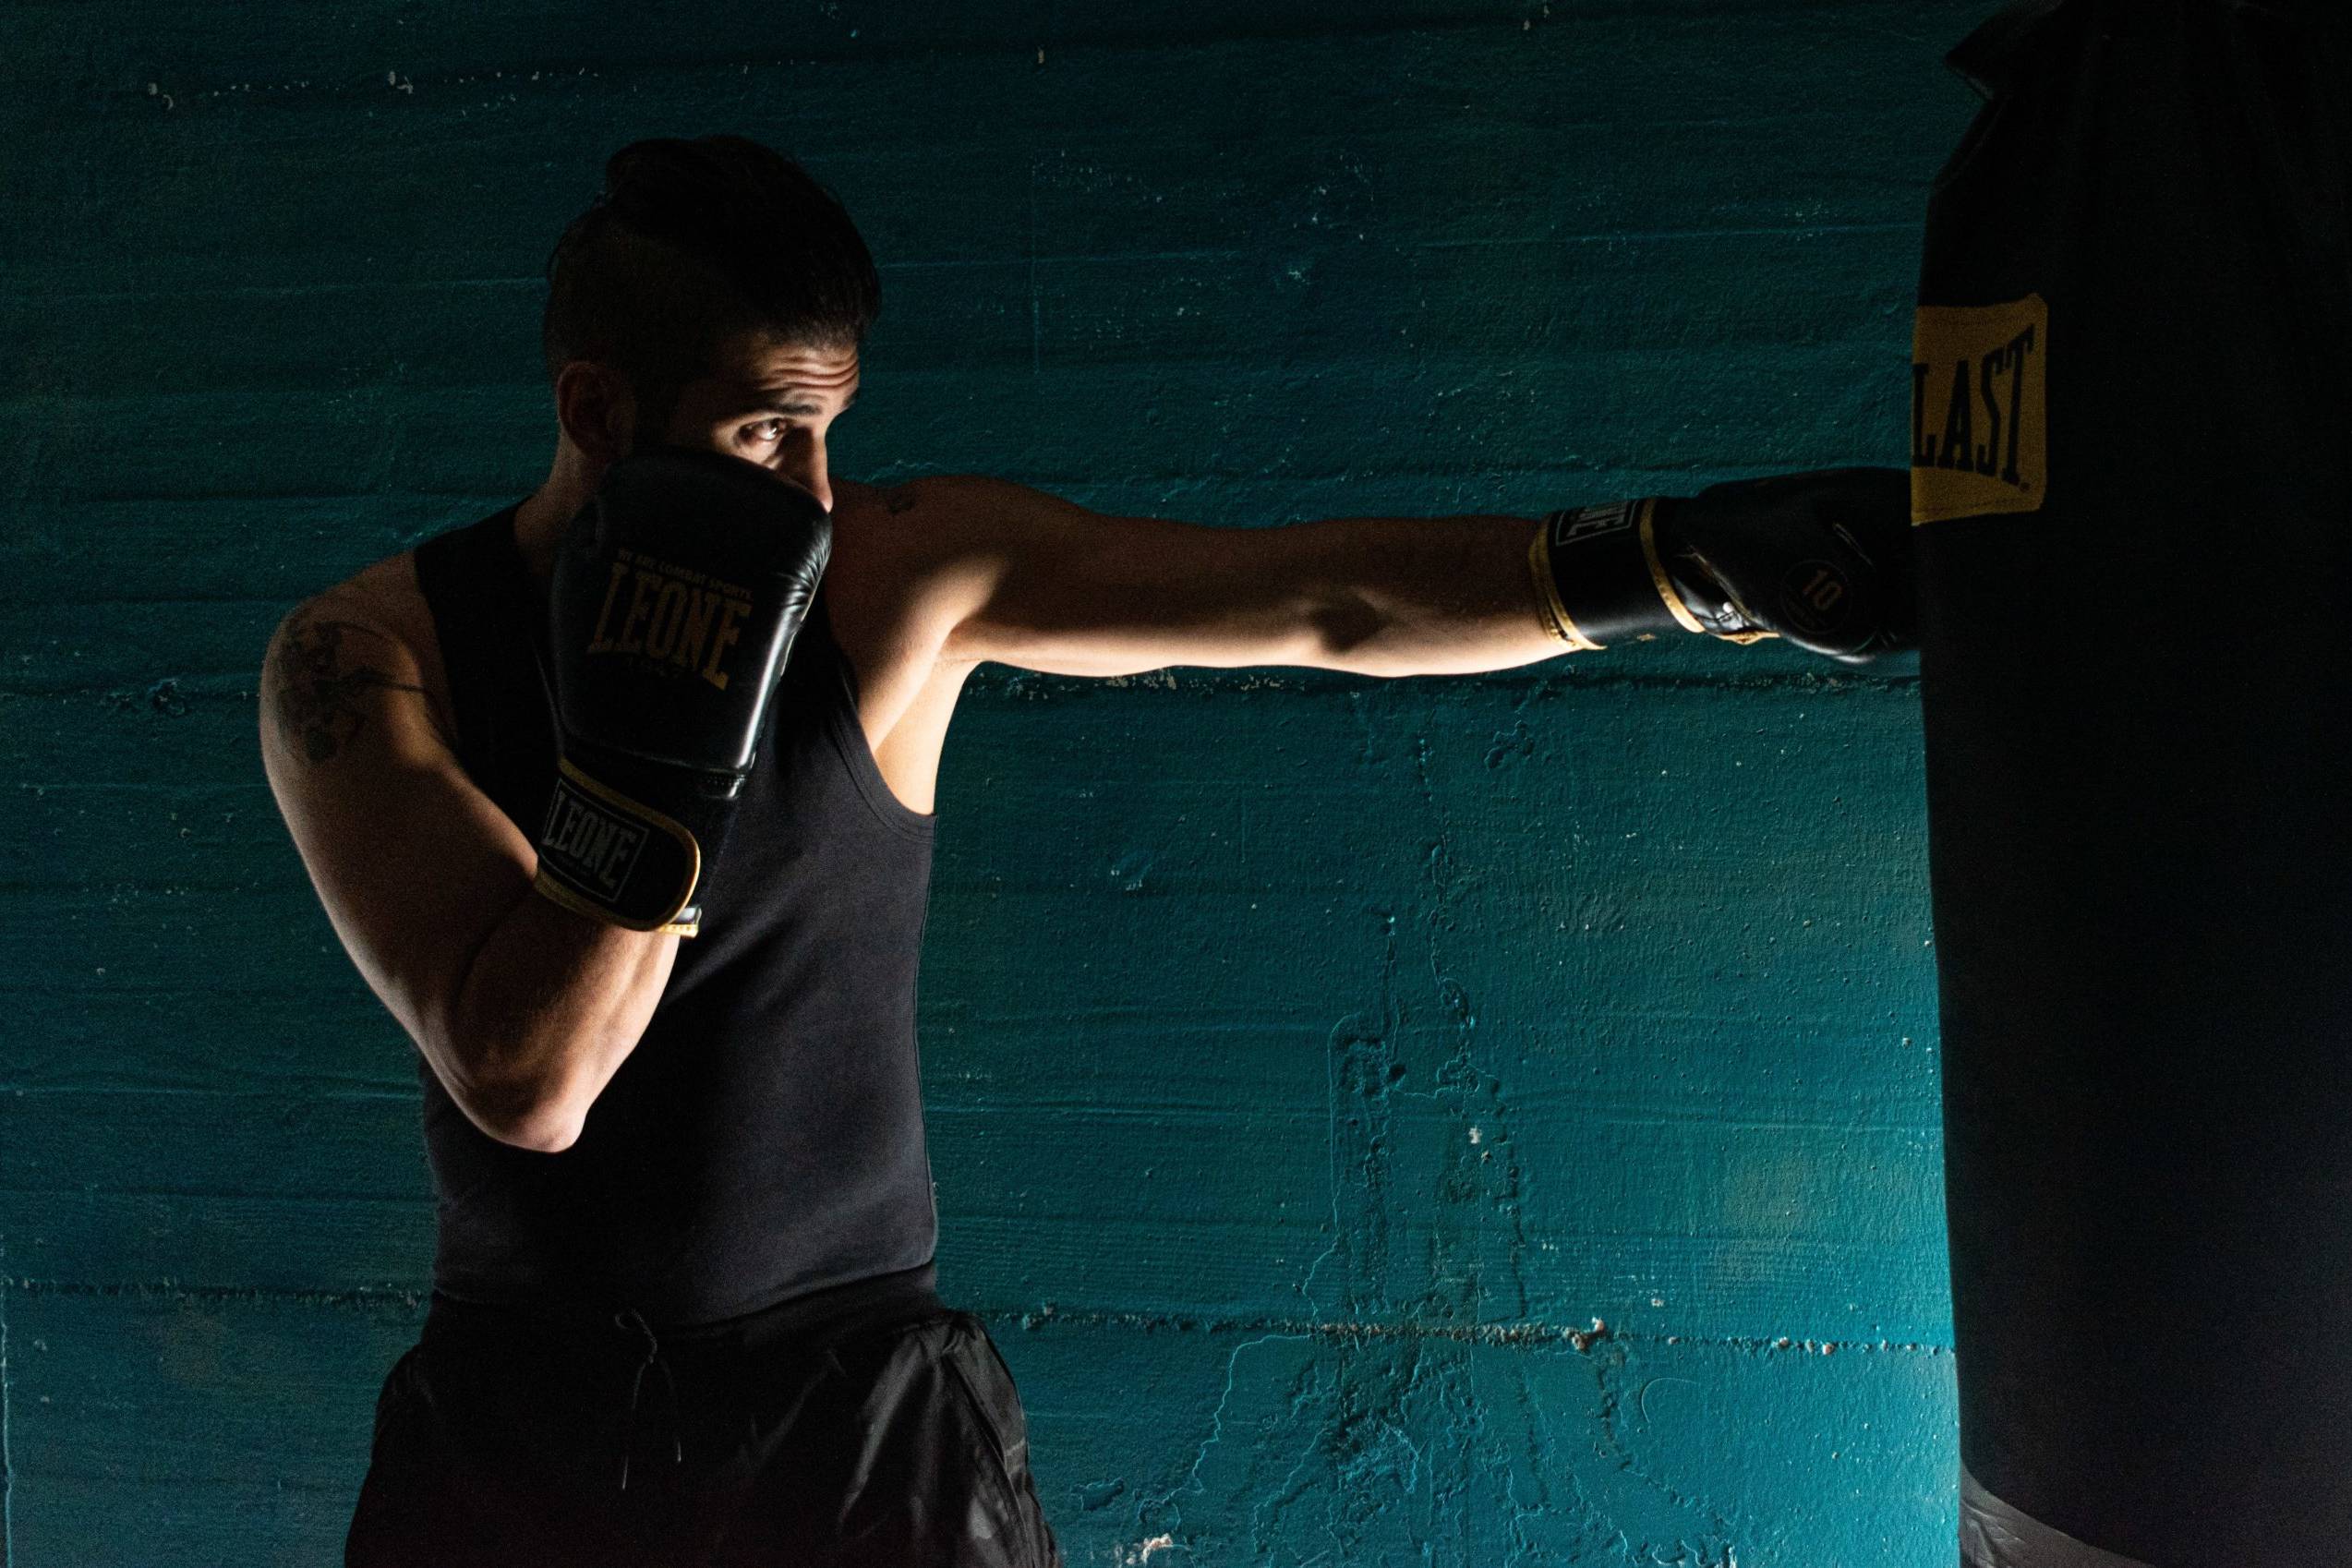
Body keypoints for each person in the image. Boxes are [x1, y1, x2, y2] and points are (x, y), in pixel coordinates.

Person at [258, 134, 1912, 1568]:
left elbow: (1325, 603)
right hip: (526, 1434)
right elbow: (532, 1079)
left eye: (835, 433)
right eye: (769, 435)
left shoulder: (895, 584)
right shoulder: (367, 661)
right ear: (594, 411)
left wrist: (1680, 563)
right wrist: (655, 744)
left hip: (858, 1420)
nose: (820, 492)